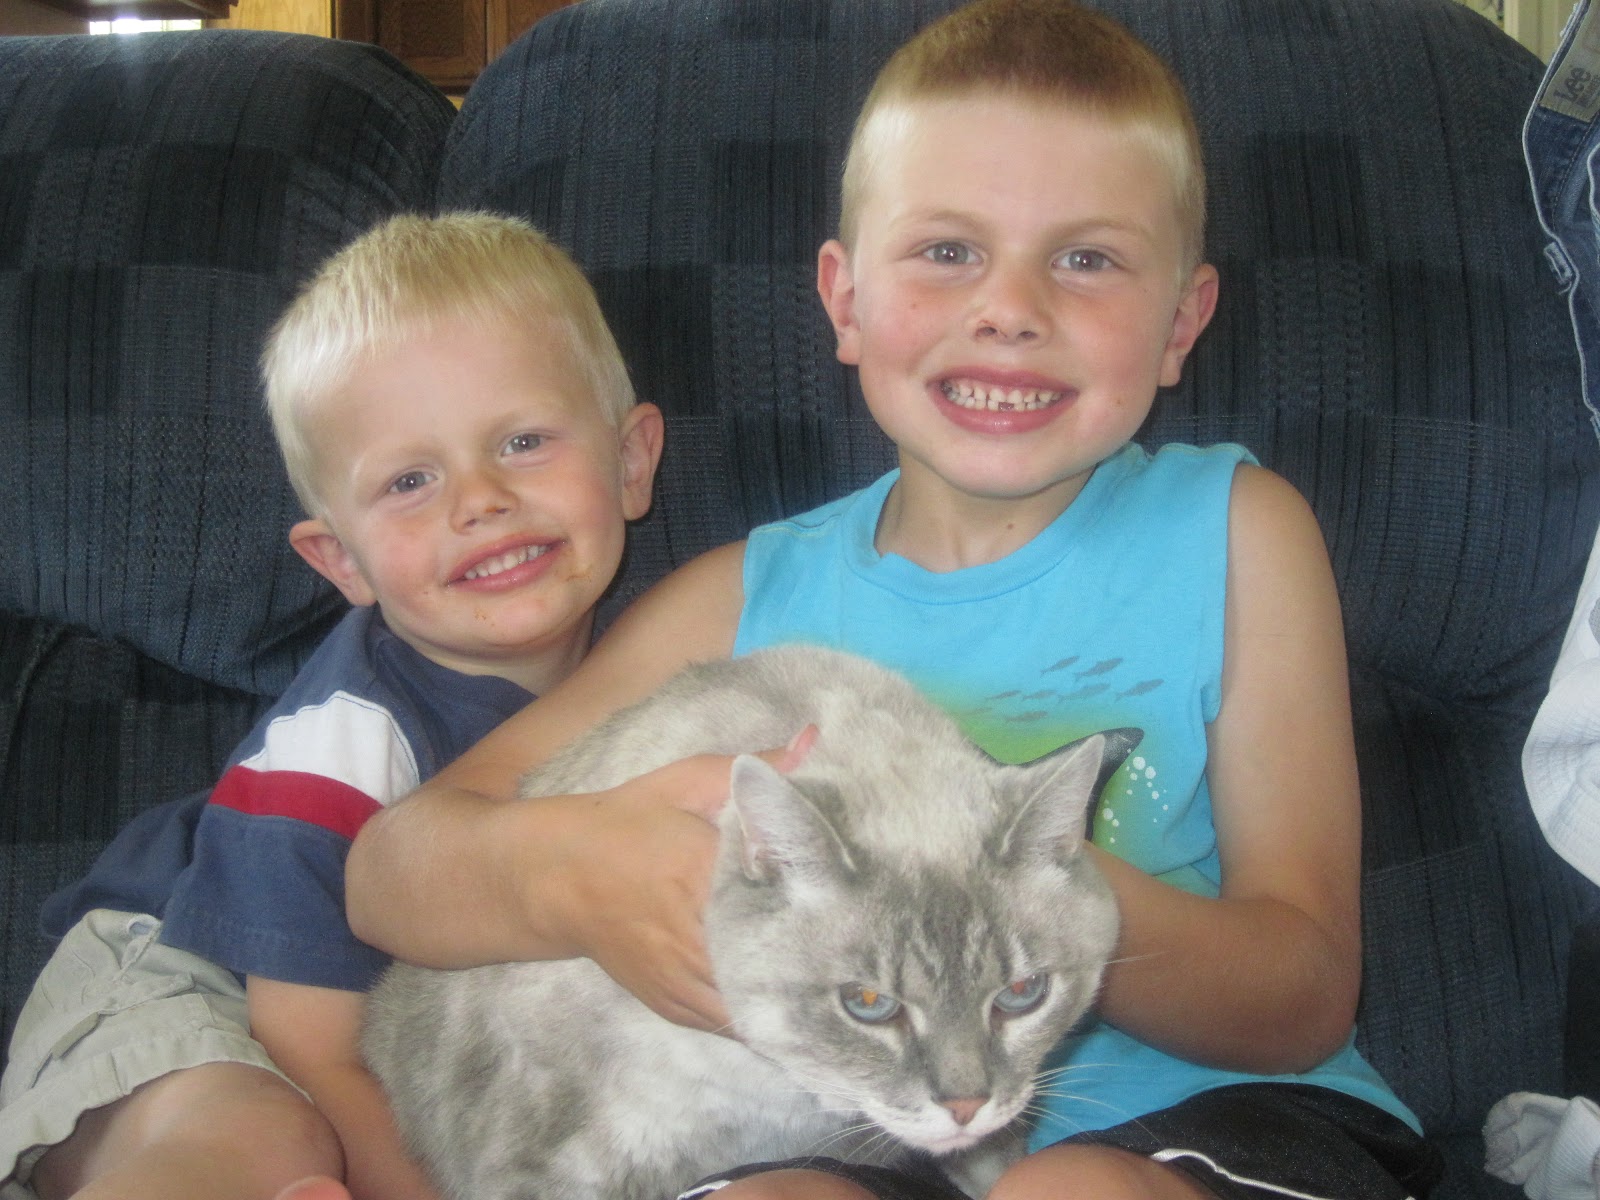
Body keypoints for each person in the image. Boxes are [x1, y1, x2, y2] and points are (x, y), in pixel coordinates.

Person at [346, 3, 1443, 1198]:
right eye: (947, 251)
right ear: (845, 300)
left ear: (1181, 323)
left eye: (1086, 259)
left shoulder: (1233, 531)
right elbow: (391, 871)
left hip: (1219, 1116)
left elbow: (1303, 995)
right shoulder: (743, 600)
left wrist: (1018, 899)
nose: (1010, 308)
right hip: (850, 1121)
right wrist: (584, 873)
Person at [0, 211, 664, 1200]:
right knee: (267, 1139)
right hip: (186, 977)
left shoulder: (660, 660)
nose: (479, 500)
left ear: (631, 461)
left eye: (523, 441)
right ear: (340, 560)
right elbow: (310, 1049)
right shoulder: (343, 746)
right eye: (409, 481)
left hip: (388, 1026)